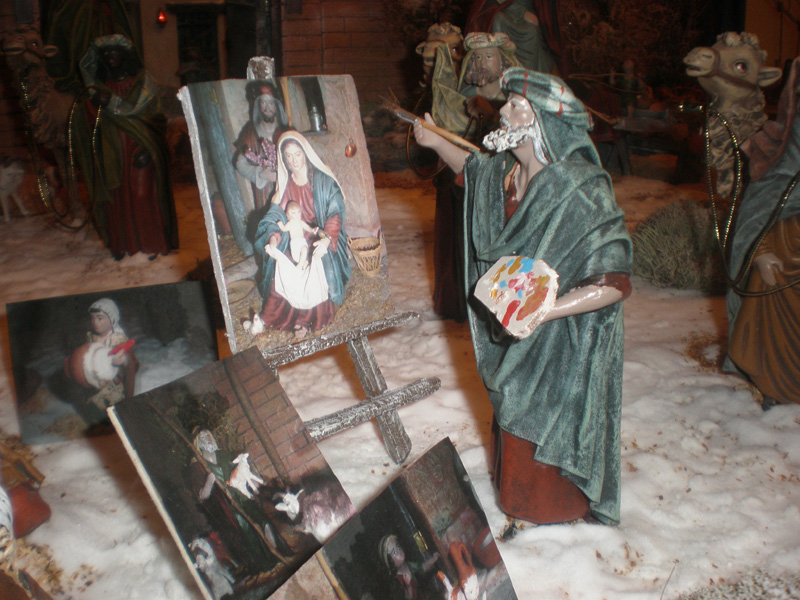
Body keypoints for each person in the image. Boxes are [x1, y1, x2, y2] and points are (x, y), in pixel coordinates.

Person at [414, 67, 632, 525]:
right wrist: (435, 142)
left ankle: (553, 506)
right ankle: (518, 498)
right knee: (510, 408)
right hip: (513, 326)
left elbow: (613, 281)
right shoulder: (506, 173)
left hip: (561, 343)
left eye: (516, 106)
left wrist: (546, 311)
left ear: (544, 121)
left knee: (547, 419)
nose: (503, 111)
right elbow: (474, 171)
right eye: (507, 102)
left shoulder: (580, 190)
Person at [79, 35, 177, 260]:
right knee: (117, 200)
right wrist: (94, 105)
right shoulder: (100, 89)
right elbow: (90, 125)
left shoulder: (144, 85)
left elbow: (157, 120)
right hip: (113, 154)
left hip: (139, 149)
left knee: (142, 196)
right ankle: (123, 246)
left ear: (125, 55)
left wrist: (150, 150)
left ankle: (150, 244)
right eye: (105, 53)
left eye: (114, 51)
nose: (109, 57)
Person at [253, 132, 351, 340]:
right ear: (284, 160)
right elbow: (275, 217)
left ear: (305, 153)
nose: (294, 160)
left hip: (319, 235)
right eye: (289, 156)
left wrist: (326, 238)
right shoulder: (286, 186)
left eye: (297, 154)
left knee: (313, 267)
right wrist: (273, 239)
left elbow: (334, 213)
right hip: (294, 238)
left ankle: (304, 320)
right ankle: (266, 318)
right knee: (282, 266)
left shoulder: (322, 181)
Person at [63, 297, 138, 423]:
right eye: (92, 318)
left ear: (112, 319)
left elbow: (129, 363)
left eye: (100, 318)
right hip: (95, 382)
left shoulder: (118, 339)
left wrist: (122, 361)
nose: (95, 322)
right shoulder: (92, 337)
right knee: (94, 408)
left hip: (113, 385)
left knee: (114, 408)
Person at [233, 81, 288, 214]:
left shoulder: (286, 132)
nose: (267, 107)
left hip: (287, 191)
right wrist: (261, 174)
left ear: (277, 105)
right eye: (263, 102)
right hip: (264, 194)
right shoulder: (251, 133)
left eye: (271, 103)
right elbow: (240, 163)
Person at [378, 534, 439, 600]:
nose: (399, 551)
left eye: (398, 547)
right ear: (390, 561)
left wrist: (433, 559)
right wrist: (408, 586)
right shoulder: (397, 581)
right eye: (394, 552)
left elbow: (421, 567)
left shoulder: (408, 565)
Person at [276, 200, 318, 270]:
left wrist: (312, 230)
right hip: (294, 243)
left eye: (299, 212)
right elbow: (284, 229)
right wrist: (281, 225)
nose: (297, 214)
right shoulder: (290, 223)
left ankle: (300, 265)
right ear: (289, 214)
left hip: (302, 241)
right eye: (294, 213)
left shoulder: (300, 222)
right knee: (296, 257)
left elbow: (307, 227)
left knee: (304, 249)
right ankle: (304, 263)